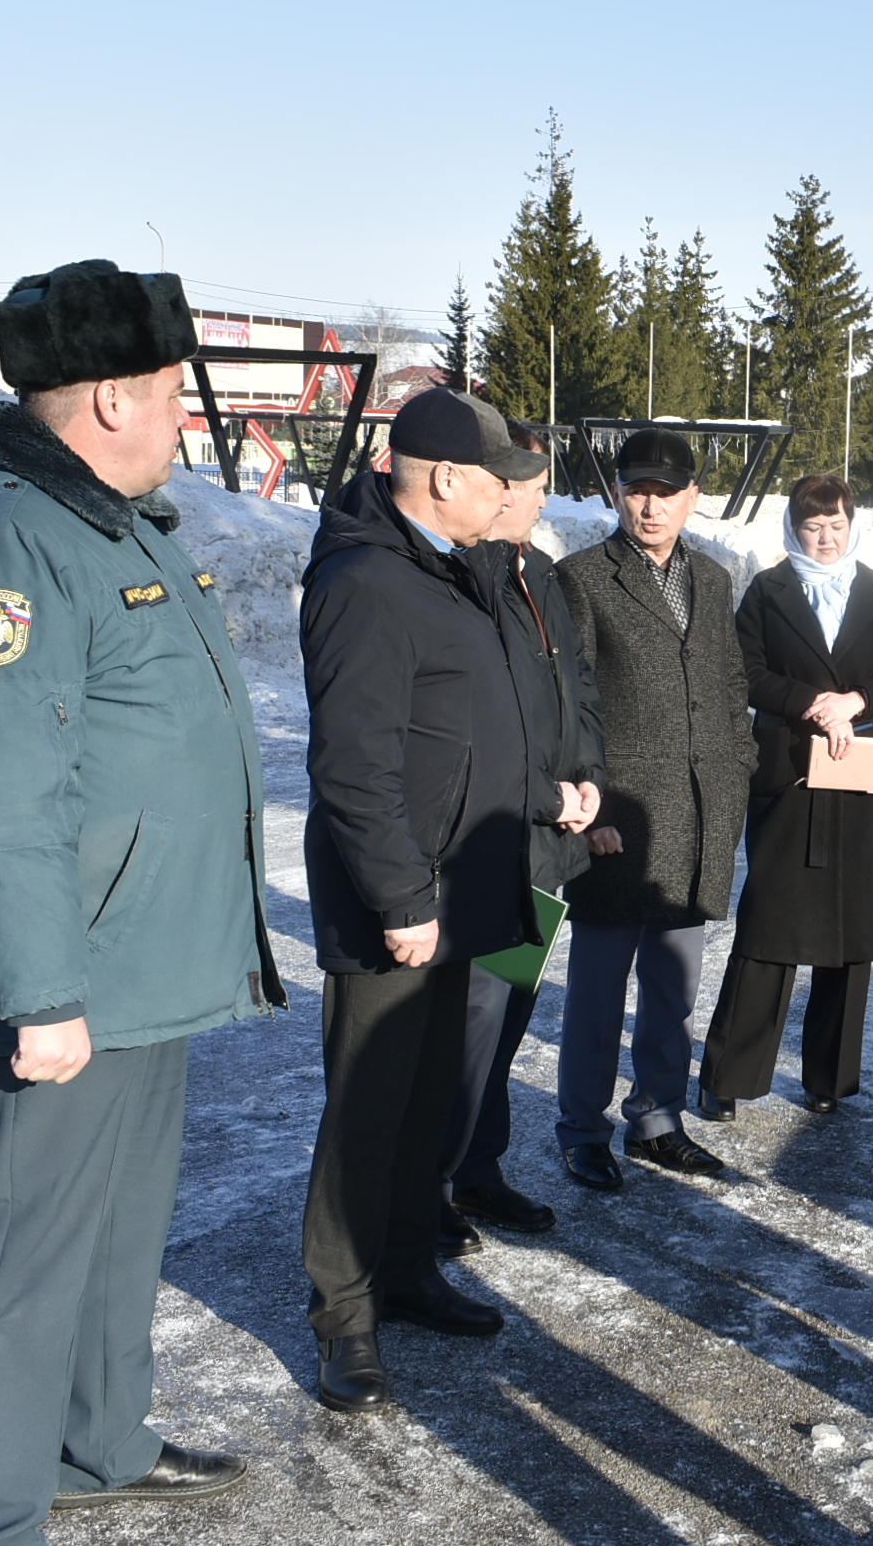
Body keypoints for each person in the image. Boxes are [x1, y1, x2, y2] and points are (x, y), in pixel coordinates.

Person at [0, 260, 279, 1546]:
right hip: (69, 980)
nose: (185, 410)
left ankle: (97, 1443)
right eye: (173, 387)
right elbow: (1, 795)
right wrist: (41, 993)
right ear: (112, 396)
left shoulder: (119, 526)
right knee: (22, 1255)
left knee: (118, 1234)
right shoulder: (9, 542)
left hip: (146, 966)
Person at [296, 389, 549, 1419]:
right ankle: (344, 1314)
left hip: (460, 891)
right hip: (399, 904)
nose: (511, 496)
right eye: (498, 479)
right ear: (444, 477)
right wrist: (401, 896)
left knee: (422, 1103)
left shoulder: (449, 566)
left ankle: (405, 1268)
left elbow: (468, 725)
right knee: (368, 1113)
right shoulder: (366, 579)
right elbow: (352, 765)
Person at [552, 430, 755, 1185]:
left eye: (666, 492)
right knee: (598, 995)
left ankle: (657, 1120)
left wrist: (736, 774)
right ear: (616, 493)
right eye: (637, 489)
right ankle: (583, 1129)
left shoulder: (713, 578)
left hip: (698, 816)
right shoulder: (582, 577)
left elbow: (729, 687)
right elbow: (571, 703)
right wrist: (590, 806)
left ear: (692, 497)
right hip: (619, 818)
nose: (650, 505)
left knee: (673, 990)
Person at [697, 475, 873, 1115]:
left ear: (853, 526)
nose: (825, 538)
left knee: (851, 929)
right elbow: (742, 670)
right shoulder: (768, 592)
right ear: (793, 529)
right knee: (771, 923)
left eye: (836, 525)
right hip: (789, 771)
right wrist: (812, 703)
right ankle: (729, 1078)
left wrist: (858, 700)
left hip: (857, 775)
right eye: (812, 526)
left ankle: (829, 1079)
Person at [436, 432, 602, 1224]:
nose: (541, 501)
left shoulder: (542, 574)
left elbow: (579, 690)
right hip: (496, 843)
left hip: (545, 849)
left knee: (506, 1020)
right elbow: (477, 731)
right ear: (499, 490)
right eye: (534, 487)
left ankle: (478, 1167)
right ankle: (430, 1188)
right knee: (468, 1026)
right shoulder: (468, 580)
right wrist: (547, 797)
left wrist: (590, 777)